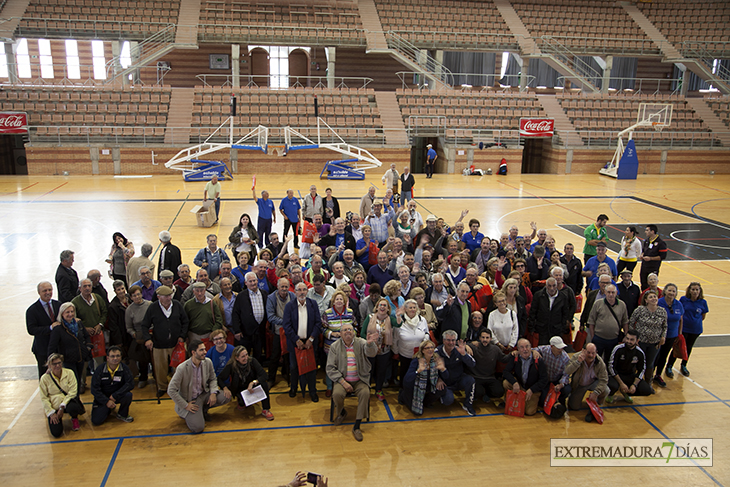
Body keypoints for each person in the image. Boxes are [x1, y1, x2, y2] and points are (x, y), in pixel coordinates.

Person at [327, 323, 378, 441]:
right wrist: (343, 382)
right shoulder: (335, 346)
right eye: (345, 330)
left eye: (350, 329)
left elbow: (372, 353)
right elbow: (330, 368)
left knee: (365, 393)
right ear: (340, 334)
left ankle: (357, 426)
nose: (348, 332)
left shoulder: (361, 342)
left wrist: (370, 344)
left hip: (360, 379)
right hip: (342, 380)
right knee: (337, 394)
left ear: (354, 332)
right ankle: (342, 412)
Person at [168, 339, 230, 433]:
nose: (205, 352)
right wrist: (185, 405)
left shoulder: (207, 362)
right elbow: (171, 390)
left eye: (204, 349)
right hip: (191, 401)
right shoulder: (182, 368)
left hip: (203, 394)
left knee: (226, 397)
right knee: (198, 428)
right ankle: (189, 413)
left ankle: (203, 409)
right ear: (193, 352)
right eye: (201, 350)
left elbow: (213, 379)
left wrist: (213, 392)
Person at [140, 285, 188, 398]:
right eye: (165, 296)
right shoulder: (153, 307)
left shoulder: (177, 305)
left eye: (169, 295)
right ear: (159, 297)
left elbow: (185, 321)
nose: (168, 298)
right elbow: (144, 325)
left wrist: (182, 336)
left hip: (176, 344)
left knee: (179, 367)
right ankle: (162, 387)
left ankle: (178, 387)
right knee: (160, 368)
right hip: (159, 344)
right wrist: (147, 339)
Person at [283, 282, 322, 401]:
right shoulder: (289, 306)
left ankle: (312, 391)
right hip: (295, 343)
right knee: (294, 367)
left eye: (304, 289)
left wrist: (311, 339)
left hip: (310, 342)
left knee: (311, 367)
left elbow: (318, 323)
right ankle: (294, 388)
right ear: (295, 292)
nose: (302, 292)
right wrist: (296, 340)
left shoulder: (313, 304)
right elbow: (286, 325)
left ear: (307, 291)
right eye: (299, 290)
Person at [217, 345, 273, 420]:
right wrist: (225, 388)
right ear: (236, 358)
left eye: (246, 354)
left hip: (251, 387)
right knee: (242, 405)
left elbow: (264, 375)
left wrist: (253, 382)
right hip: (239, 389)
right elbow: (219, 378)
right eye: (243, 356)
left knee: (264, 384)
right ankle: (241, 401)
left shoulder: (252, 361)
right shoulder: (231, 365)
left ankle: (266, 409)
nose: (246, 358)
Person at [361, 298, 399, 400]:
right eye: (380, 305)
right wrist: (371, 342)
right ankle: (366, 389)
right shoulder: (369, 318)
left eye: (385, 305)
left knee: (381, 371)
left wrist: (399, 316)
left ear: (388, 309)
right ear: (377, 307)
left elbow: (399, 324)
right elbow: (362, 333)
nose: (382, 307)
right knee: (369, 371)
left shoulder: (390, 319)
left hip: (384, 350)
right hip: (371, 350)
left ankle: (378, 389)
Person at [502, 338, 548, 416]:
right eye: (522, 347)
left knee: (529, 412)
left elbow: (544, 379)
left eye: (527, 347)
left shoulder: (538, 360)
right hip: (520, 386)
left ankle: (527, 401)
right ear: (518, 349)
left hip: (532, 389)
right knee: (506, 383)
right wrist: (514, 382)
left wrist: (532, 390)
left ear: (531, 348)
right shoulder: (515, 357)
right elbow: (506, 372)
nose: (525, 349)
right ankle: (509, 400)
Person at [40, 353, 83, 436]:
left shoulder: (69, 373)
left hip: (67, 403)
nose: (57, 366)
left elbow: (73, 392)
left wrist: (62, 406)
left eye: (59, 363)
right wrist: (51, 412)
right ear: (49, 365)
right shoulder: (44, 378)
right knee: (56, 433)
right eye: (54, 364)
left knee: (73, 407)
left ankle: (74, 418)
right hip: (54, 406)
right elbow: (44, 398)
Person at [435, 330, 477, 415]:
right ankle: (441, 396)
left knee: (470, 380)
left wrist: (464, 354)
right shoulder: (437, 352)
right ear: (443, 341)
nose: (451, 343)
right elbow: (432, 370)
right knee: (448, 401)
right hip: (445, 383)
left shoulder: (459, 350)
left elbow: (473, 364)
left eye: (453, 340)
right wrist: (438, 379)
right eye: (448, 340)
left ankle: (468, 405)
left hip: (458, 380)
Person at [628, 290, 666, 383]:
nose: (653, 298)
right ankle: (633, 382)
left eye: (655, 297)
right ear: (646, 300)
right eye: (651, 297)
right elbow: (631, 322)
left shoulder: (662, 311)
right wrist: (633, 338)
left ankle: (648, 382)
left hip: (654, 343)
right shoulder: (640, 310)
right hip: (641, 342)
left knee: (650, 363)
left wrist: (663, 337)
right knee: (637, 362)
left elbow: (665, 326)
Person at [90, 346, 134, 425]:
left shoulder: (125, 369)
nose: (115, 358)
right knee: (96, 421)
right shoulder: (99, 370)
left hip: (116, 396)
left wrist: (115, 395)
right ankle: (109, 408)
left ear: (121, 357)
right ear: (107, 358)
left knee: (128, 395)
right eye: (112, 356)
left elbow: (130, 384)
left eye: (118, 356)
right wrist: (106, 401)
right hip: (103, 398)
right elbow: (94, 389)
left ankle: (122, 414)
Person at [27, 281, 62, 378]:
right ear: (39, 292)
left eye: (50, 290)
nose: (48, 292)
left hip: (58, 347)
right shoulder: (32, 310)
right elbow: (32, 330)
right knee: (45, 376)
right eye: (44, 290)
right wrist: (50, 328)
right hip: (42, 349)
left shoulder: (58, 305)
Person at [672, 282, 708, 377]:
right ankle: (669, 366)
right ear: (689, 290)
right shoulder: (684, 300)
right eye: (693, 289)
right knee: (677, 346)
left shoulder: (703, 302)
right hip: (683, 328)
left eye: (697, 289)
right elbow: (680, 312)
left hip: (695, 330)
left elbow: (703, 316)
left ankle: (684, 365)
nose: (695, 291)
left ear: (700, 291)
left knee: (689, 347)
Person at [564, 343, 609, 419]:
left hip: (593, 383)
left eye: (593, 353)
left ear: (596, 353)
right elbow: (567, 371)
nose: (591, 355)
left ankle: (598, 403)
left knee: (606, 390)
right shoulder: (576, 357)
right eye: (588, 352)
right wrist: (578, 362)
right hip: (579, 385)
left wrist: (596, 392)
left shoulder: (599, 362)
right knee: (574, 407)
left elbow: (604, 379)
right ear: (583, 351)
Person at [607, 329, 653, 401]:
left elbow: (641, 369)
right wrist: (621, 384)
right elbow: (611, 367)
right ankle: (610, 394)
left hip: (630, 375)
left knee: (646, 390)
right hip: (616, 375)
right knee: (613, 386)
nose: (628, 341)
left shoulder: (640, 353)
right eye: (627, 338)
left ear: (637, 341)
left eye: (632, 340)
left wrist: (634, 385)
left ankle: (627, 393)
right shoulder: (618, 349)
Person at [587, 284, 628, 364]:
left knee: (610, 361)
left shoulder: (622, 305)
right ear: (605, 292)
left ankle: (607, 375)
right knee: (595, 360)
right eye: (608, 292)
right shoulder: (598, 303)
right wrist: (593, 337)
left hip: (614, 339)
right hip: (598, 338)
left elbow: (625, 321)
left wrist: (626, 336)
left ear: (616, 293)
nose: (611, 294)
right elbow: (591, 322)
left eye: (613, 292)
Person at [653, 282, 684, 388]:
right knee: (655, 356)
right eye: (669, 290)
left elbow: (680, 319)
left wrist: (679, 334)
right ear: (665, 291)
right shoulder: (659, 303)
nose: (671, 293)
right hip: (659, 335)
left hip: (671, 335)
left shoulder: (678, 304)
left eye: (673, 291)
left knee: (664, 356)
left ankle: (658, 375)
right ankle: (648, 375)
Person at [231, 272, 268, 360]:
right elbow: (235, 313)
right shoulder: (241, 296)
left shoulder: (264, 294)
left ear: (257, 280)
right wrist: (237, 330)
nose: (253, 283)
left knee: (258, 356)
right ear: (245, 283)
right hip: (245, 332)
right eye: (250, 281)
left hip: (260, 331)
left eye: (254, 280)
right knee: (244, 356)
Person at [467, 327, 508, 407]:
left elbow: (504, 359)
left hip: (490, 377)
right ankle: (482, 394)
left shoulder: (495, 349)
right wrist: (466, 346)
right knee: (478, 392)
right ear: (479, 338)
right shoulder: (474, 347)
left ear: (491, 338)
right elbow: (460, 345)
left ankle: (487, 394)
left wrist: (513, 354)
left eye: (487, 338)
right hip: (476, 377)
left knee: (499, 391)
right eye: (483, 337)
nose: (485, 340)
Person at [393, 299, 430, 386]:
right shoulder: (400, 321)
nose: (413, 309)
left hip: (419, 355)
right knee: (405, 376)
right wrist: (395, 352)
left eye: (414, 307)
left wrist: (424, 344)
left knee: (417, 376)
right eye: (410, 308)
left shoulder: (422, 320)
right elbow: (395, 339)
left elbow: (426, 333)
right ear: (405, 309)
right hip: (404, 354)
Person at [533, 336, 571, 416]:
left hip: (557, 379)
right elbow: (533, 349)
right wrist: (534, 352)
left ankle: (561, 400)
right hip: (545, 380)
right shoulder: (545, 349)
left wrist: (561, 384)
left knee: (567, 389)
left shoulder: (565, 358)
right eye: (558, 348)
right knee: (542, 400)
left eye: (561, 347)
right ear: (551, 346)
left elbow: (566, 374)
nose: (560, 350)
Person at [266, 278, 294, 385]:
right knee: (275, 356)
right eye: (282, 287)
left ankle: (287, 375)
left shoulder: (292, 296)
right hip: (278, 332)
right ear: (277, 287)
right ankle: (271, 379)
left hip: (290, 332)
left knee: (289, 355)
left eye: (286, 287)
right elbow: (271, 316)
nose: (284, 289)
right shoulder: (271, 298)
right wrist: (286, 322)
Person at [124, 285, 152, 389]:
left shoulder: (149, 305)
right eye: (134, 295)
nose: (137, 297)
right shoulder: (129, 310)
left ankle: (157, 377)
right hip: (139, 337)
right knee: (142, 359)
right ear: (131, 297)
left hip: (150, 334)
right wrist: (133, 334)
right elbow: (128, 327)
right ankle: (143, 378)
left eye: (138, 294)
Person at [529, 278, 571, 345]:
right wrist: (532, 328)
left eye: (554, 285)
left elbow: (565, 314)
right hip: (542, 329)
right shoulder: (538, 295)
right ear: (546, 285)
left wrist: (562, 329)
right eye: (549, 285)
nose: (552, 288)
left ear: (557, 285)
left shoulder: (563, 297)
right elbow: (533, 312)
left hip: (556, 330)